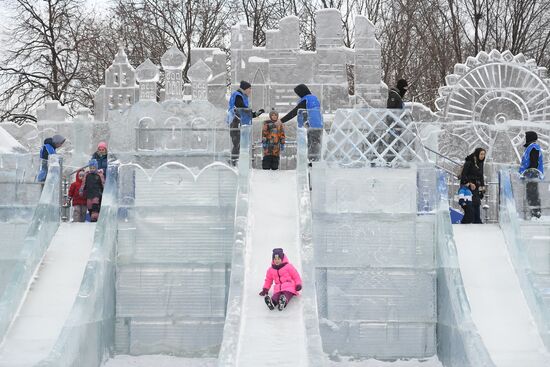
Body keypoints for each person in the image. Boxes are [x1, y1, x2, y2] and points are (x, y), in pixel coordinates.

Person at [280, 84, 323, 162]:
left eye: (298, 93)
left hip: (310, 127)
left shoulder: (305, 100)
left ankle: (311, 165)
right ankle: (315, 163)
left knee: (311, 148)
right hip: (318, 126)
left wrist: (281, 121)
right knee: (316, 147)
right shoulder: (314, 98)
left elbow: (294, 112)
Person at [227, 81, 264, 166]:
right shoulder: (238, 95)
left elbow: (245, 111)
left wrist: (255, 114)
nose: (250, 90)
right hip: (235, 122)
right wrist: (253, 113)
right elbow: (242, 108)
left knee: (239, 144)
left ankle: (235, 161)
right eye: (249, 88)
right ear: (244, 88)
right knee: (237, 143)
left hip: (240, 122)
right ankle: (233, 162)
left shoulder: (243, 96)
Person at [519, 131, 544, 219]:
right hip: (529, 175)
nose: (525, 138)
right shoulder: (530, 147)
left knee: (532, 194)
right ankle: (534, 212)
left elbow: (534, 162)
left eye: (526, 137)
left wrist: (530, 172)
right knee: (531, 194)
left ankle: (536, 213)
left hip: (532, 175)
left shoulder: (534, 147)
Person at [460, 147, 486, 224]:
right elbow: (463, 175)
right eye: (481, 154)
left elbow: (481, 176)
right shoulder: (469, 162)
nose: (482, 156)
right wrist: (470, 183)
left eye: (484, 154)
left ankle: (476, 221)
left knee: (476, 204)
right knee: (470, 207)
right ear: (477, 154)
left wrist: (482, 189)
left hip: (476, 187)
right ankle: (474, 221)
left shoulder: (480, 162)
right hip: (468, 187)